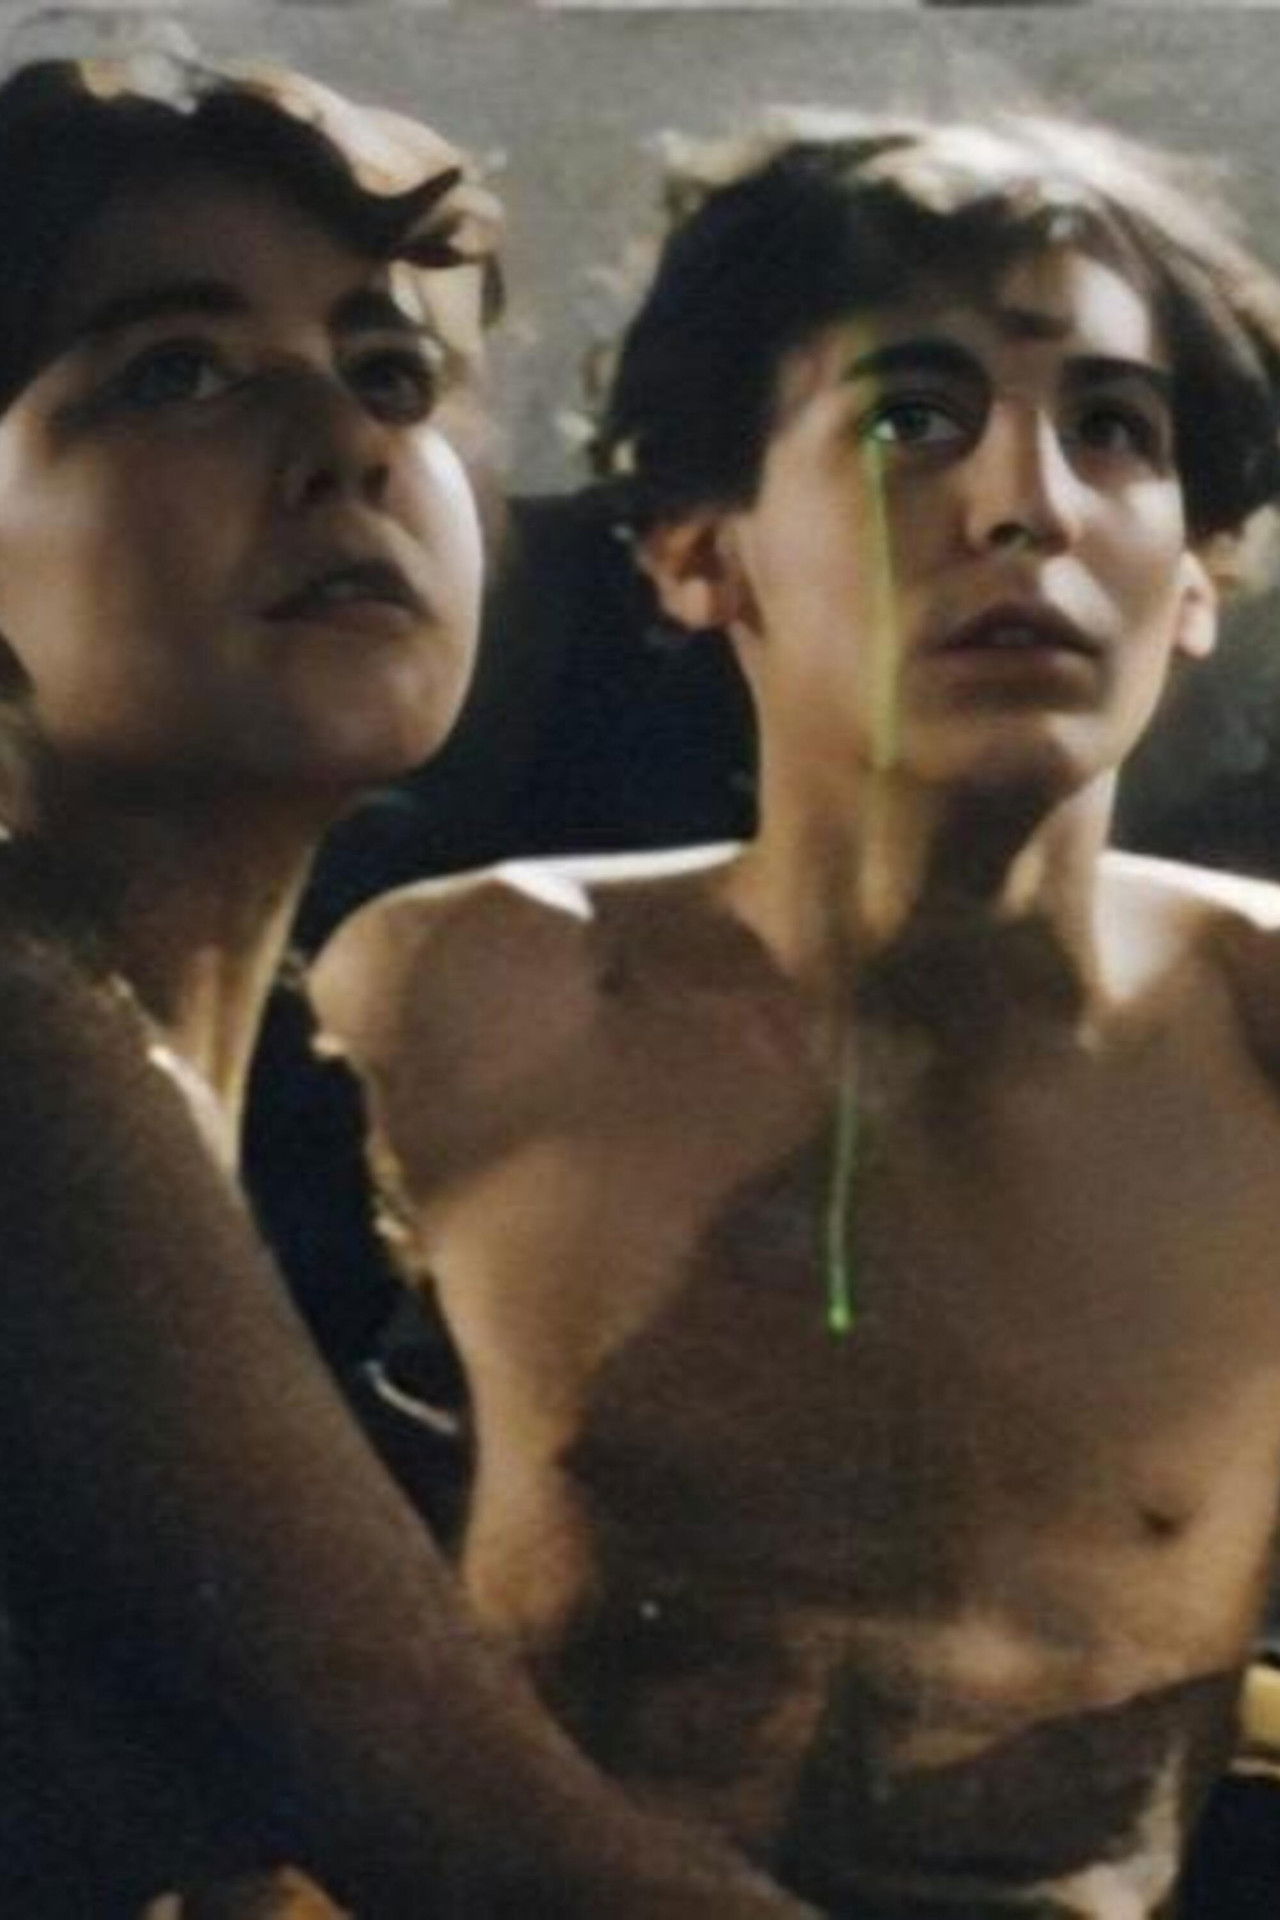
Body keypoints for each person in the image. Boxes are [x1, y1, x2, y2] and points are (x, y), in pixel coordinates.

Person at [313, 112, 1280, 1917]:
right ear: (701, 551)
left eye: (1114, 430)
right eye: (913, 418)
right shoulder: (465, 995)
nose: (1031, 506)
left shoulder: (1264, 1039)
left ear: (1200, 575)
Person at [0, 52, 815, 1919]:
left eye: (387, 373)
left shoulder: (142, 1045)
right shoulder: (27, 1049)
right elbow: (512, 1866)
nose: (350, 444)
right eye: (179, 372)